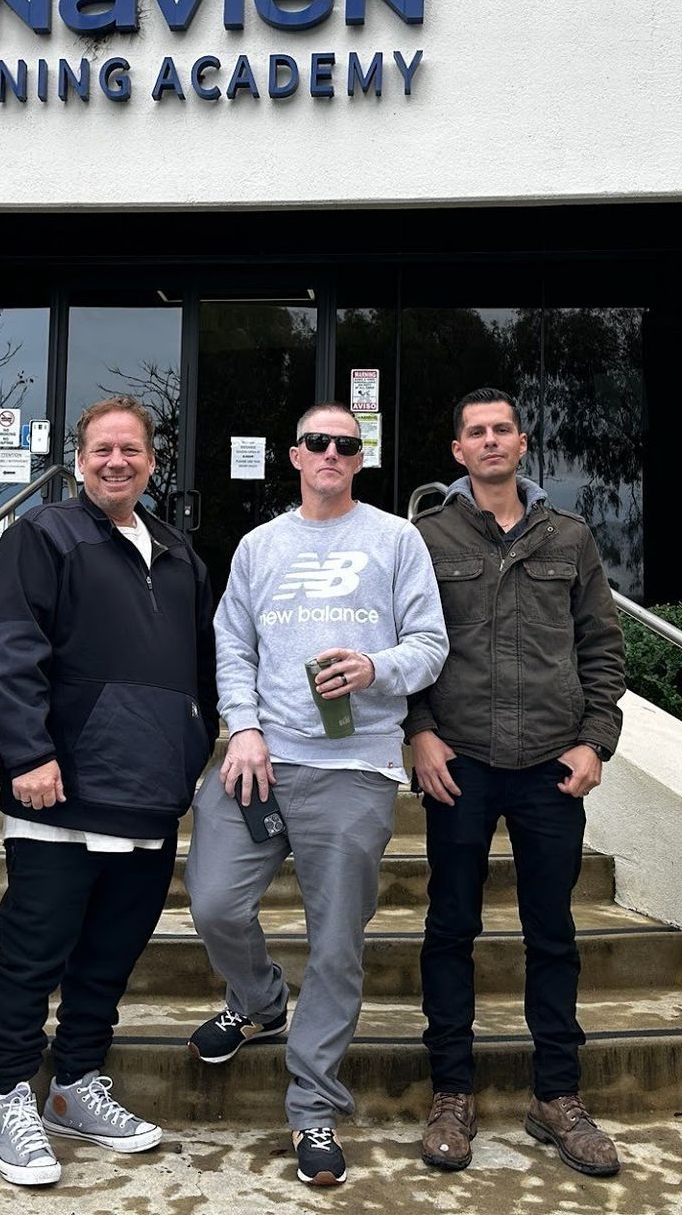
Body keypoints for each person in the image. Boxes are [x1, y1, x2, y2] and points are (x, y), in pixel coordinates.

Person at [185, 402, 448, 1186]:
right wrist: (244, 728)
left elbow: (431, 645)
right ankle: (260, 999)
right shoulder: (261, 544)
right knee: (215, 904)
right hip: (260, 756)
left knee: (336, 944)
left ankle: (313, 1109)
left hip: (355, 767)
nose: (331, 452)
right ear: (294, 456)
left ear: (358, 458)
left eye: (346, 443)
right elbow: (233, 643)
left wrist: (376, 669)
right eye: (316, 442)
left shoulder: (398, 539)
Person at [0, 395, 219, 1187]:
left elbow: (203, 677)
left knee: (111, 954)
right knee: (33, 951)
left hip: (148, 791)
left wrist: (192, 752)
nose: (117, 461)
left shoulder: (182, 555)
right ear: (79, 459)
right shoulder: (43, 536)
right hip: (59, 790)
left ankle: (74, 1087)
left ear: (154, 460)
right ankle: (11, 1093)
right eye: (101, 449)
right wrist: (28, 751)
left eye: (132, 450)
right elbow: (9, 647)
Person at [406, 387, 627, 1179]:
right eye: (476, 432)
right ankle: (452, 1095)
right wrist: (419, 732)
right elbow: (407, 644)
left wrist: (595, 741)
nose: (491, 441)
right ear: (458, 451)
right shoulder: (424, 539)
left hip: (548, 768)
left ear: (522, 443)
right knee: (449, 930)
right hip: (458, 761)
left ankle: (557, 1097)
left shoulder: (568, 536)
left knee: (553, 935)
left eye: (503, 429)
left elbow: (602, 647)